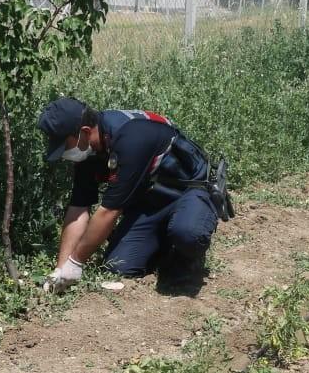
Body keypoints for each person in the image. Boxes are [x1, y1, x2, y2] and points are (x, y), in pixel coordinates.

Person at [37, 96, 227, 294]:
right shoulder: (90, 150)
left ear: (84, 132)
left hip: (190, 191)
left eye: (65, 145)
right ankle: (164, 240)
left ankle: (187, 256)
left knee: (188, 233)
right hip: (153, 202)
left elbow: (109, 211)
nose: (66, 153)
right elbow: (78, 209)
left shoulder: (132, 137)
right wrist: (61, 269)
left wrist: (75, 262)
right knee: (118, 266)